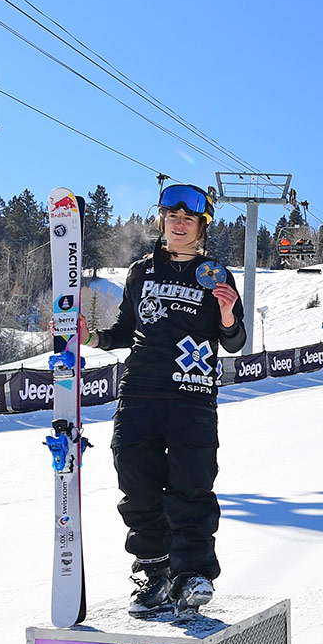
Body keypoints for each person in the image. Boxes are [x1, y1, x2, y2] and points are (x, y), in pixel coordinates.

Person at [86, 183, 246, 615]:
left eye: (188, 218)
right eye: (172, 217)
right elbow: (123, 331)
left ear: (201, 226)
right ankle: (155, 571)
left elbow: (235, 341)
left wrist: (228, 314)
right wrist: (93, 336)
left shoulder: (216, 275)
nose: (179, 223)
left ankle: (191, 575)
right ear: (162, 221)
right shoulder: (141, 272)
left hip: (192, 397)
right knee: (136, 483)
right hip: (140, 391)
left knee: (190, 487)